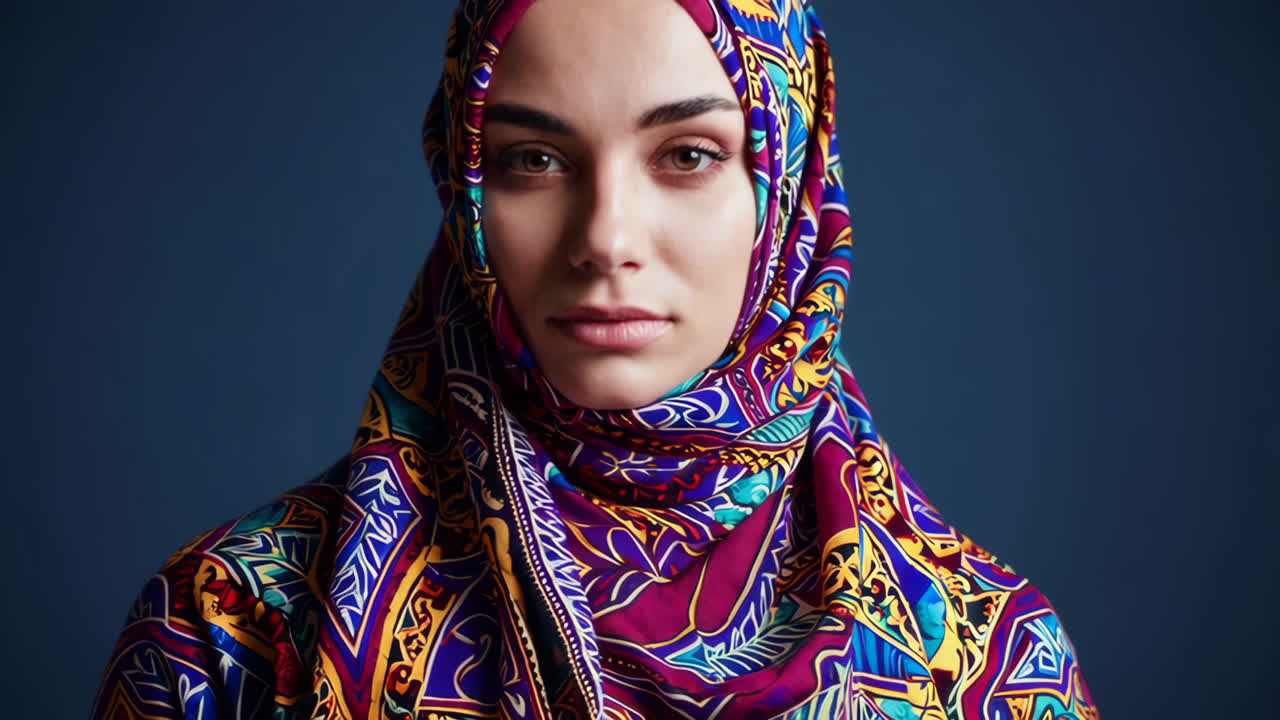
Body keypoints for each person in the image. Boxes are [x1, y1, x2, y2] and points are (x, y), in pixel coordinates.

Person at [90, 0, 1097, 717]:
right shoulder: (230, 627)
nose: (605, 236)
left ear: (786, 192)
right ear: (464, 193)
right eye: (533, 160)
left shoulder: (984, 661)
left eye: (687, 156)